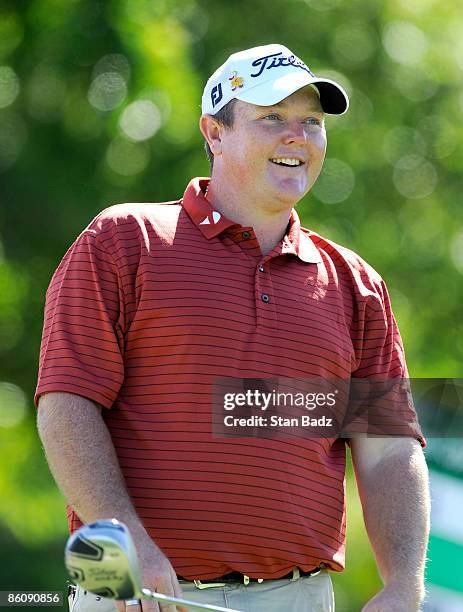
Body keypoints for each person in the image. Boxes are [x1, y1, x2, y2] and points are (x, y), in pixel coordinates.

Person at [36, 44, 430, 612]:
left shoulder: (355, 284)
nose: (296, 137)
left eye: (312, 123)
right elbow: (66, 405)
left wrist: (402, 583)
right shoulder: (124, 241)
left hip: (298, 595)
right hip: (131, 588)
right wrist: (124, 541)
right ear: (214, 133)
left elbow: (389, 449)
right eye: (271, 117)